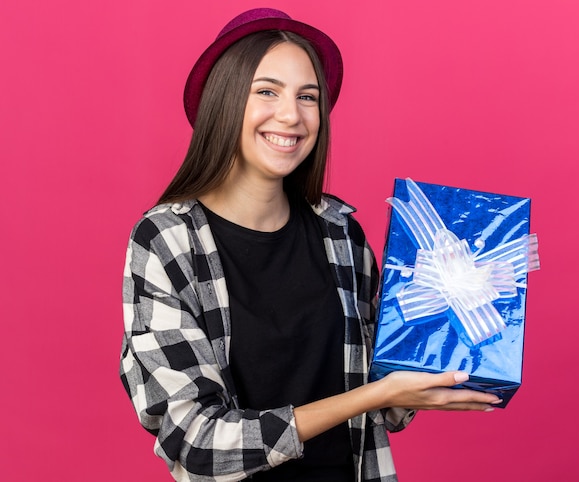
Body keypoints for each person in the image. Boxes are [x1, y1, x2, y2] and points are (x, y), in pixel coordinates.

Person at [119, 8, 502, 482]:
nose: (291, 115)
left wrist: (461, 295)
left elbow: (386, 404)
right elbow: (196, 441)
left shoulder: (340, 234)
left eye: (308, 96)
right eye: (267, 91)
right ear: (224, 100)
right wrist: (374, 396)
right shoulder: (166, 240)